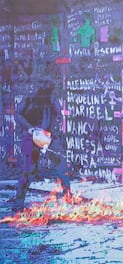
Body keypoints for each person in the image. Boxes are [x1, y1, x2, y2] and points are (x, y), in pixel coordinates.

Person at [13, 79, 71, 211]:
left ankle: (68, 197)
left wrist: (52, 132)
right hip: (30, 137)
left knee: (60, 166)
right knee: (28, 171)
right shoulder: (29, 98)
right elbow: (18, 114)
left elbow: (58, 113)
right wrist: (29, 127)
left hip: (47, 136)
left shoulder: (50, 97)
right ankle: (18, 204)